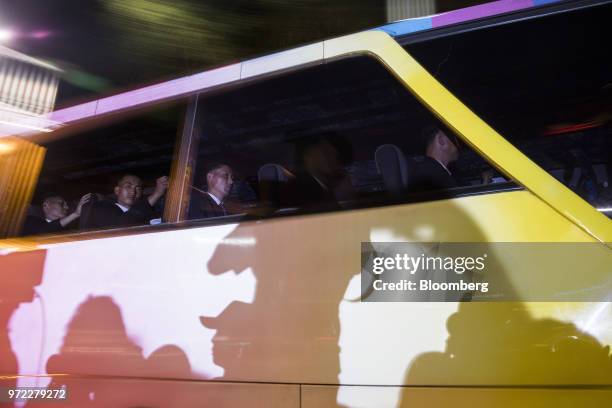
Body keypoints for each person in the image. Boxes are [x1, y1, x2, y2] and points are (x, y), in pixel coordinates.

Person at [81, 174, 168, 229]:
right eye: (128, 186)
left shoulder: (148, 212)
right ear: (117, 190)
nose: (133, 192)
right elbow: (123, 225)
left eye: (138, 188)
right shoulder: (101, 208)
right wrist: (156, 195)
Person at [409, 125, 460, 192]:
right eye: (454, 139)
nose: (458, 145)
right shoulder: (436, 178)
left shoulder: (423, 170)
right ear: (441, 140)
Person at [21, 193, 91, 236]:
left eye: (66, 205)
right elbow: (44, 230)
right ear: (46, 205)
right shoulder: (30, 221)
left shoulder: (67, 229)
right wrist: (75, 214)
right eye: (62, 204)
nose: (67, 207)